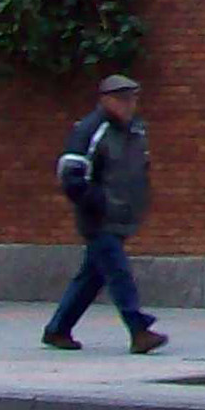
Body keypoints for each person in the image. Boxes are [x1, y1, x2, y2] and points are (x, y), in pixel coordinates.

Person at [43, 73, 167, 354]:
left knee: (92, 276)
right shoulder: (91, 129)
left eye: (132, 99)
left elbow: (138, 170)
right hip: (98, 218)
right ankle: (138, 329)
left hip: (121, 214)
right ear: (106, 100)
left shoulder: (135, 130)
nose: (129, 105)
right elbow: (70, 172)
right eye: (122, 99)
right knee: (118, 272)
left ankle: (58, 329)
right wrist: (95, 202)